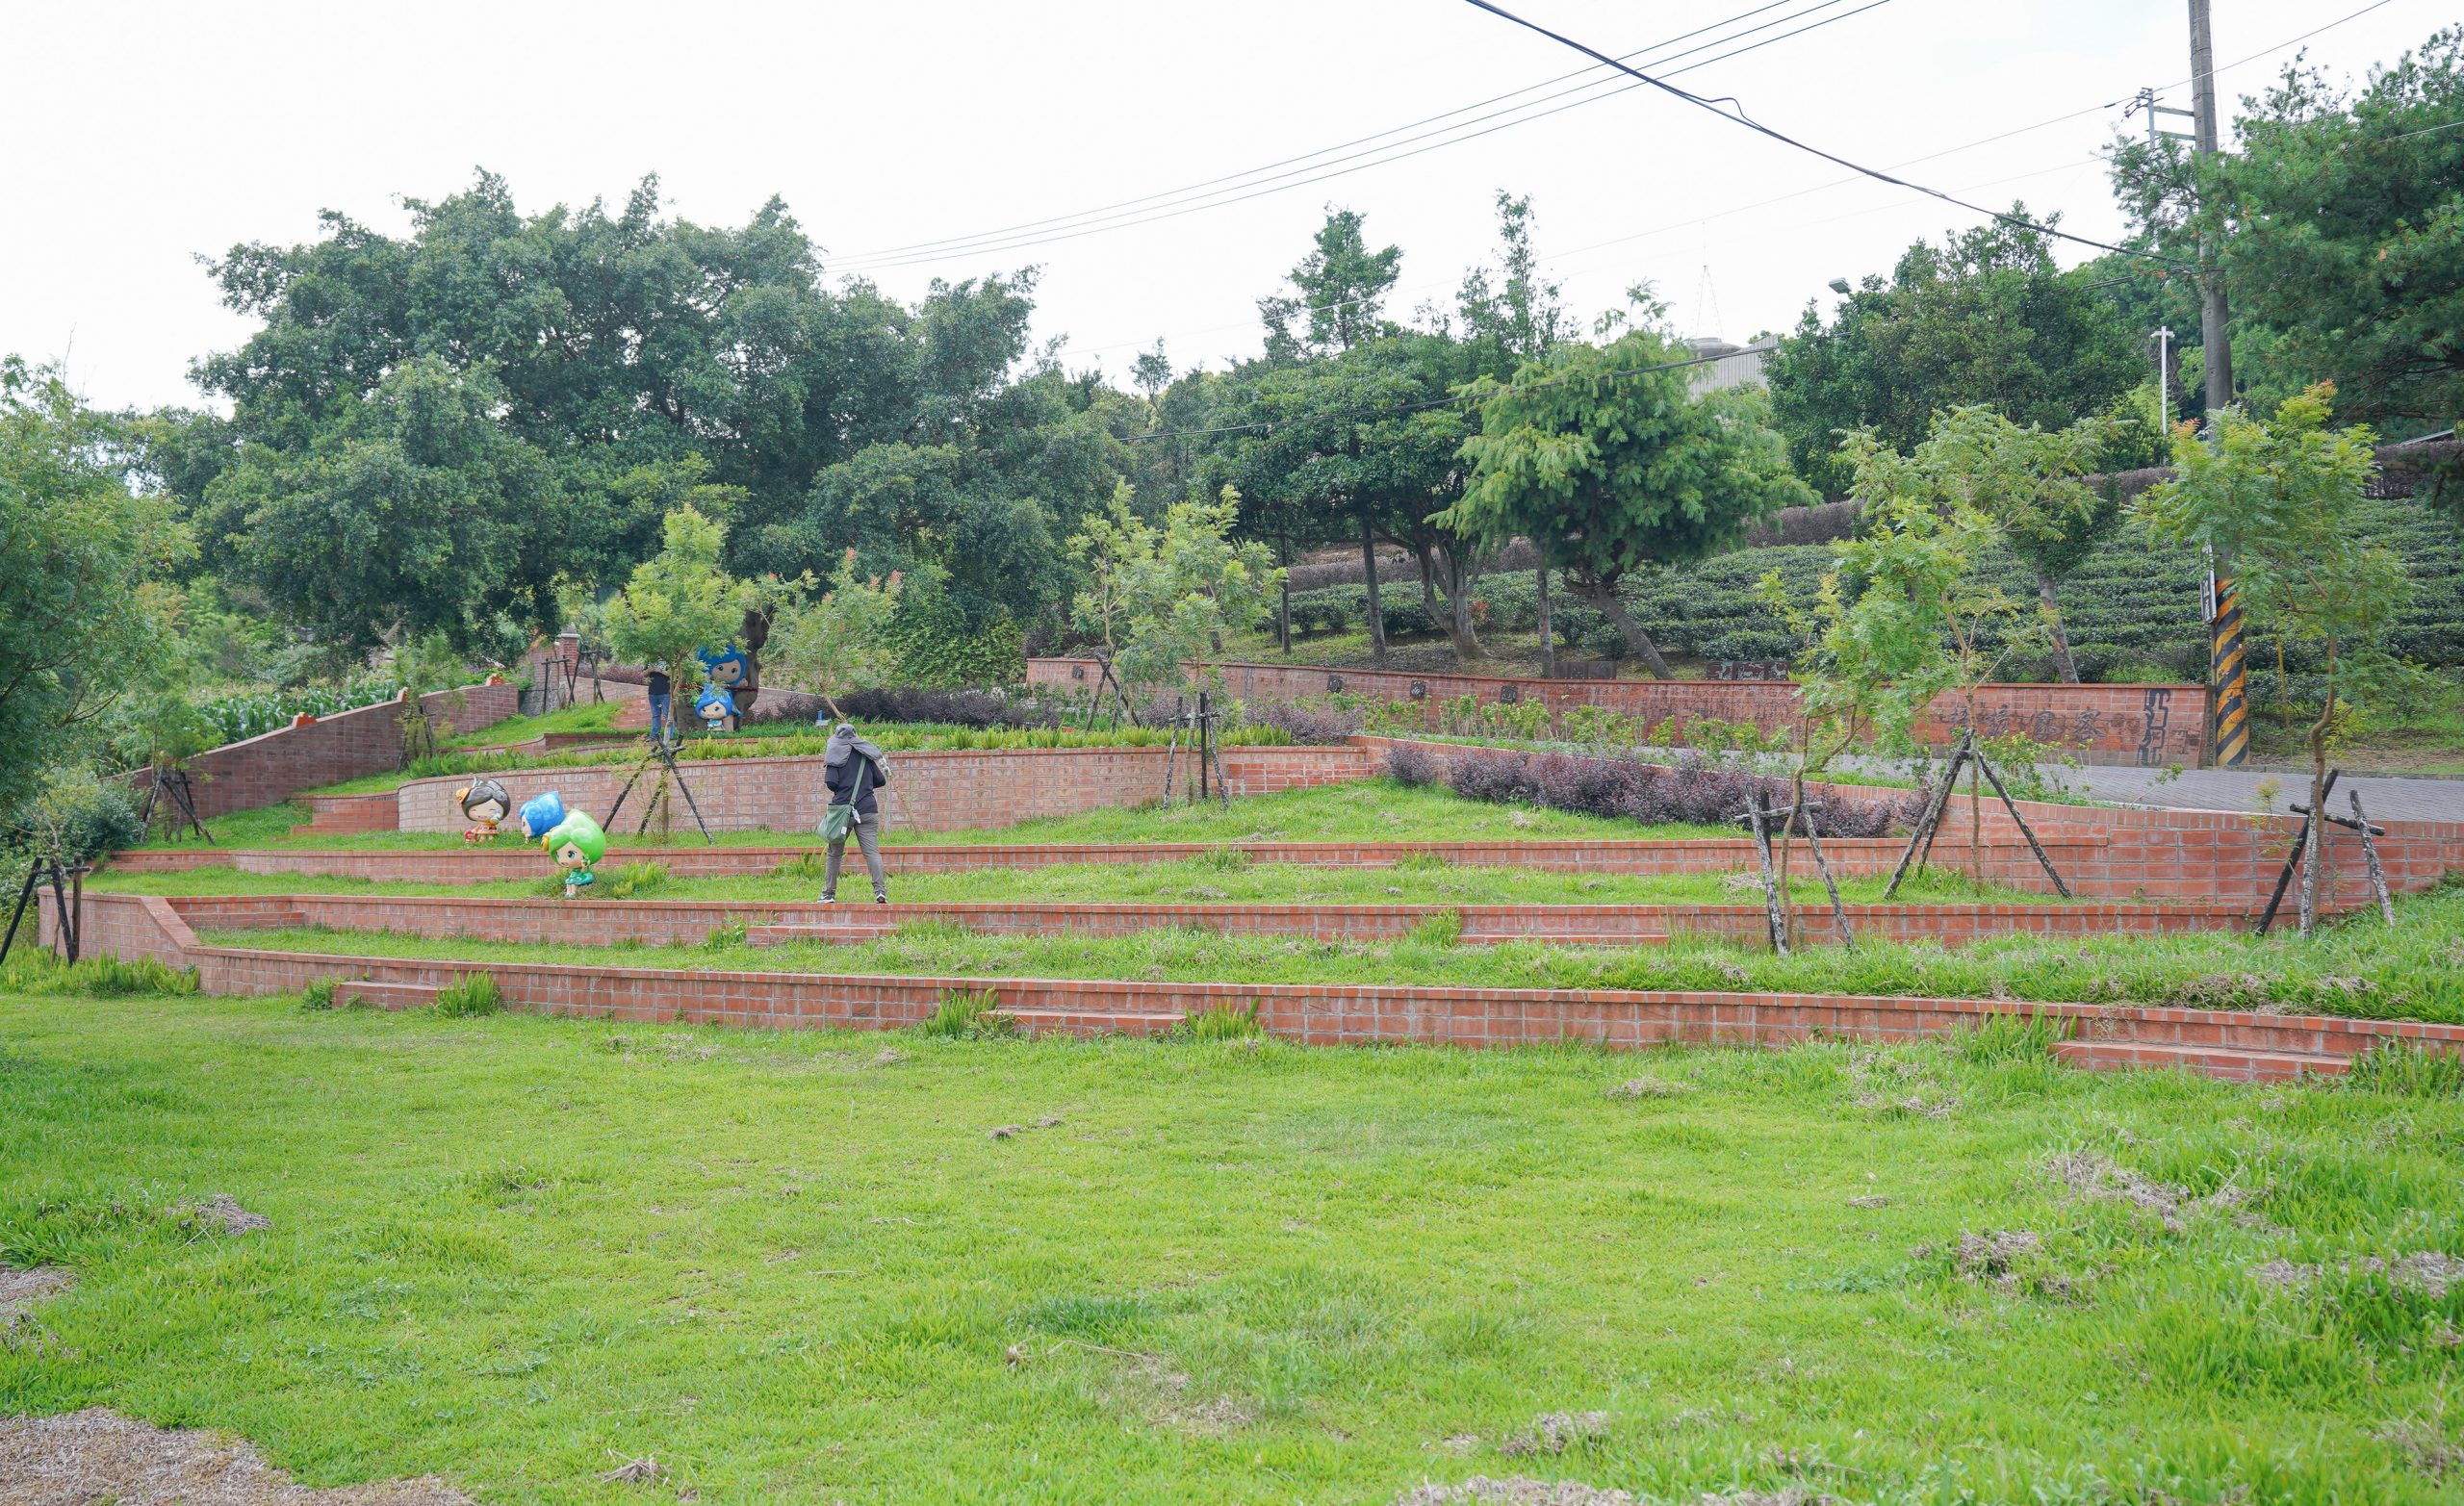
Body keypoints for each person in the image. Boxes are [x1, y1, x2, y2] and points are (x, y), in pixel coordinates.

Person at [819, 721, 890, 904]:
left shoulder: (834, 755)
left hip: (843, 812)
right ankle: (880, 891)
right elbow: (880, 780)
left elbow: (831, 783)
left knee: (834, 853)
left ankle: (828, 894)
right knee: (872, 852)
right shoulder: (864, 754)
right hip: (868, 809)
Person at [645, 665, 673, 745]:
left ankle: (669, 736)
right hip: (652, 693)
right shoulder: (649, 660)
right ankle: (654, 736)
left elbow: (671, 673)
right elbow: (643, 674)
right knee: (655, 715)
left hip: (665, 693)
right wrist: (649, 670)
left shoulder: (667, 660)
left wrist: (660, 670)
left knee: (668, 715)